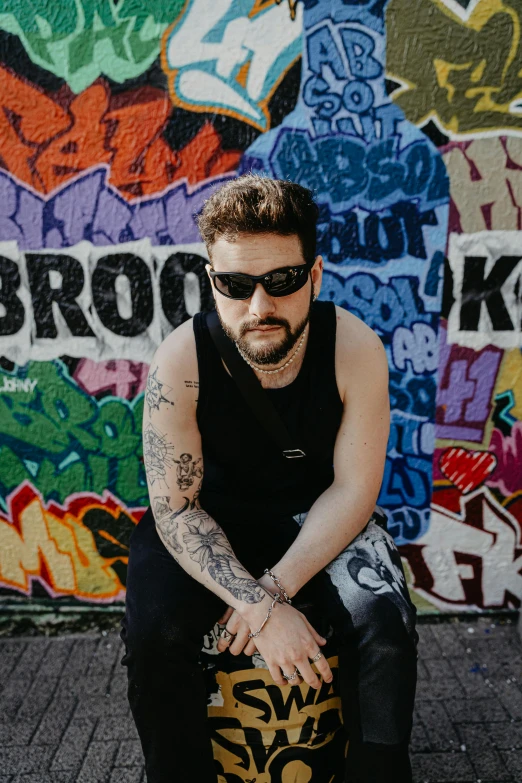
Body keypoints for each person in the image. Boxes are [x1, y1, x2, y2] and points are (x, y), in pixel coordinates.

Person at [120, 175, 418, 783]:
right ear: (212, 281)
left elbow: (354, 490)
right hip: (207, 520)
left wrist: (272, 592)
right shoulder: (180, 362)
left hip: (318, 518)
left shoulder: (353, 348)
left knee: (385, 626)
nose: (260, 307)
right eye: (236, 285)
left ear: (314, 276)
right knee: (155, 637)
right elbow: (175, 509)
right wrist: (259, 607)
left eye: (281, 282)